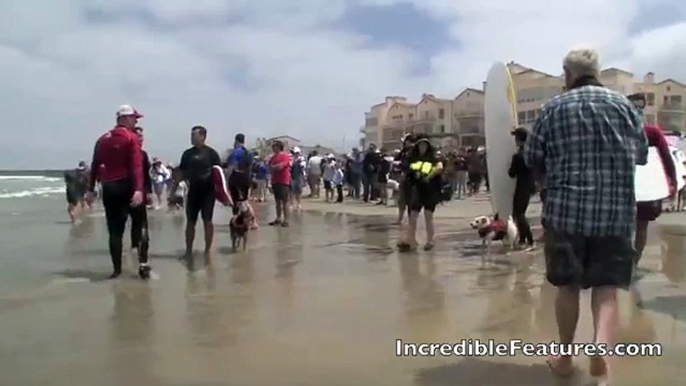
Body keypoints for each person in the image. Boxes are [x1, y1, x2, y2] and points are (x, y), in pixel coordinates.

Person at [523, 48, 648, 381]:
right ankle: (600, 350)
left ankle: (565, 357)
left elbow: (531, 155)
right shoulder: (625, 107)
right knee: (606, 289)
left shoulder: (553, 109)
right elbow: (641, 155)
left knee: (567, 287)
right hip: (615, 212)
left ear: (568, 73)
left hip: (566, 214)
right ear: (597, 71)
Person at [85, 104, 145, 279]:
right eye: (134, 118)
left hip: (108, 188)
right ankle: (142, 265)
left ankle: (116, 271)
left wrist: (90, 189)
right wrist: (138, 190)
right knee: (139, 224)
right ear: (125, 119)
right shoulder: (130, 137)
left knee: (114, 231)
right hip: (127, 185)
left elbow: (95, 165)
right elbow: (136, 166)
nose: (135, 121)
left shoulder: (102, 139)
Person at [176, 126, 223, 261]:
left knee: (207, 221)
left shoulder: (211, 153)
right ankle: (188, 251)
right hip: (193, 192)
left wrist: (224, 195)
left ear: (203, 136)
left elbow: (219, 175)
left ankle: (207, 251)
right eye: (191, 135)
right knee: (190, 222)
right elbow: (181, 173)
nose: (191, 137)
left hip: (208, 193)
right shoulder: (187, 154)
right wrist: (173, 191)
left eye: (194, 135)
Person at [397, 135, 443, 252]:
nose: (422, 147)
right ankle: (412, 240)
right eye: (420, 145)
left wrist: (429, 176)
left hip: (430, 189)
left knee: (428, 216)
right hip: (418, 188)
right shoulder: (412, 157)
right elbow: (407, 170)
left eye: (425, 145)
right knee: (413, 215)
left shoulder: (433, 156)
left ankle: (430, 241)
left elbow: (439, 167)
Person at [508, 127, 536, 251]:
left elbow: (511, 173)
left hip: (521, 186)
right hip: (530, 185)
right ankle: (522, 239)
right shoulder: (531, 153)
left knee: (519, 213)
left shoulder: (518, 156)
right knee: (520, 212)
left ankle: (530, 240)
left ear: (518, 139)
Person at [131, 126, 153, 279]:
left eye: (142, 136)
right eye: (138, 136)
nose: (141, 139)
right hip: (124, 195)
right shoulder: (125, 154)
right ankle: (132, 250)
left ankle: (142, 261)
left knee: (142, 226)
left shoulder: (144, 155)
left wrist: (149, 192)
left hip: (140, 195)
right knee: (134, 226)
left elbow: (146, 175)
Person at [268, 140, 291, 227]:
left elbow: (281, 166)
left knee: (285, 201)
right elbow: (270, 168)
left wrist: (274, 167)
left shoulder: (285, 156)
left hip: (283, 181)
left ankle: (286, 220)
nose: (273, 148)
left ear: (279, 147)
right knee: (277, 201)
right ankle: (278, 218)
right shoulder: (273, 157)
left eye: (275, 146)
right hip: (275, 181)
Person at [394, 134, 415, 224]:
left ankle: (411, 220)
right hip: (403, 176)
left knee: (410, 199)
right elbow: (396, 159)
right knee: (401, 199)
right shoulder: (403, 151)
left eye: (405, 141)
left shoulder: (414, 151)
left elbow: (411, 164)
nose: (404, 143)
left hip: (412, 178)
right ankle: (400, 218)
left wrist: (400, 165)